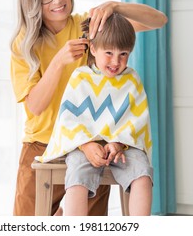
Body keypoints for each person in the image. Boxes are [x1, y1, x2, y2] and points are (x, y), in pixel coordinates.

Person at [10, 0, 167, 216]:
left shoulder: (90, 25)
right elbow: (35, 107)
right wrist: (60, 61)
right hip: (43, 145)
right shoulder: (24, 44)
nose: (57, 0)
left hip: (93, 144)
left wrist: (115, 6)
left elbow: (158, 20)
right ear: (32, 3)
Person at [36, 13, 153, 216]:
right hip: (84, 146)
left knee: (142, 173)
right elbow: (68, 118)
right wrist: (86, 145)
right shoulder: (80, 77)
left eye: (123, 54)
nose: (116, 61)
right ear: (93, 48)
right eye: (109, 52)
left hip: (123, 146)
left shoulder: (131, 79)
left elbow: (137, 119)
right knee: (77, 176)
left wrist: (118, 143)